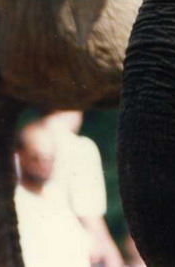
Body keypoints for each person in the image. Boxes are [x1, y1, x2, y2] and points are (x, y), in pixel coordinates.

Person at [38, 111, 124, 267]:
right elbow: (88, 212)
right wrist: (113, 256)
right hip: (73, 252)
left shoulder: (24, 143)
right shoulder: (80, 147)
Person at [15, 124, 93, 267]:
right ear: (21, 155)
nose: (44, 165)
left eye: (49, 158)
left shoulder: (58, 197)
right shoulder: (16, 202)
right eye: (36, 157)